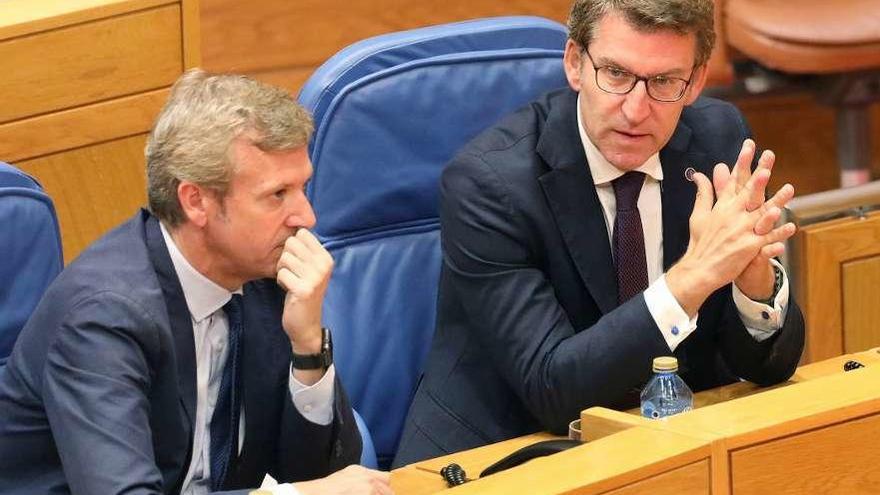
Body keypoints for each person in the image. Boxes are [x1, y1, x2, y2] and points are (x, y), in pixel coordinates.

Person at [393, 0, 805, 467]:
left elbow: (768, 367)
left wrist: (753, 287)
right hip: (503, 455)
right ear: (574, 63)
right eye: (615, 74)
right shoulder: (489, 185)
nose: (635, 109)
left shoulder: (718, 139)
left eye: (664, 82)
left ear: (695, 82)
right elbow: (554, 391)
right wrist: (692, 280)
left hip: (666, 446)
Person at [0, 69, 392, 495]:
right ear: (196, 201)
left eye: (303, 188)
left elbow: (324, 474)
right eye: (277, 195)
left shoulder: (265, 275)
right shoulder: (104, 316)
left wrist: (308, 347)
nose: (307, 217)